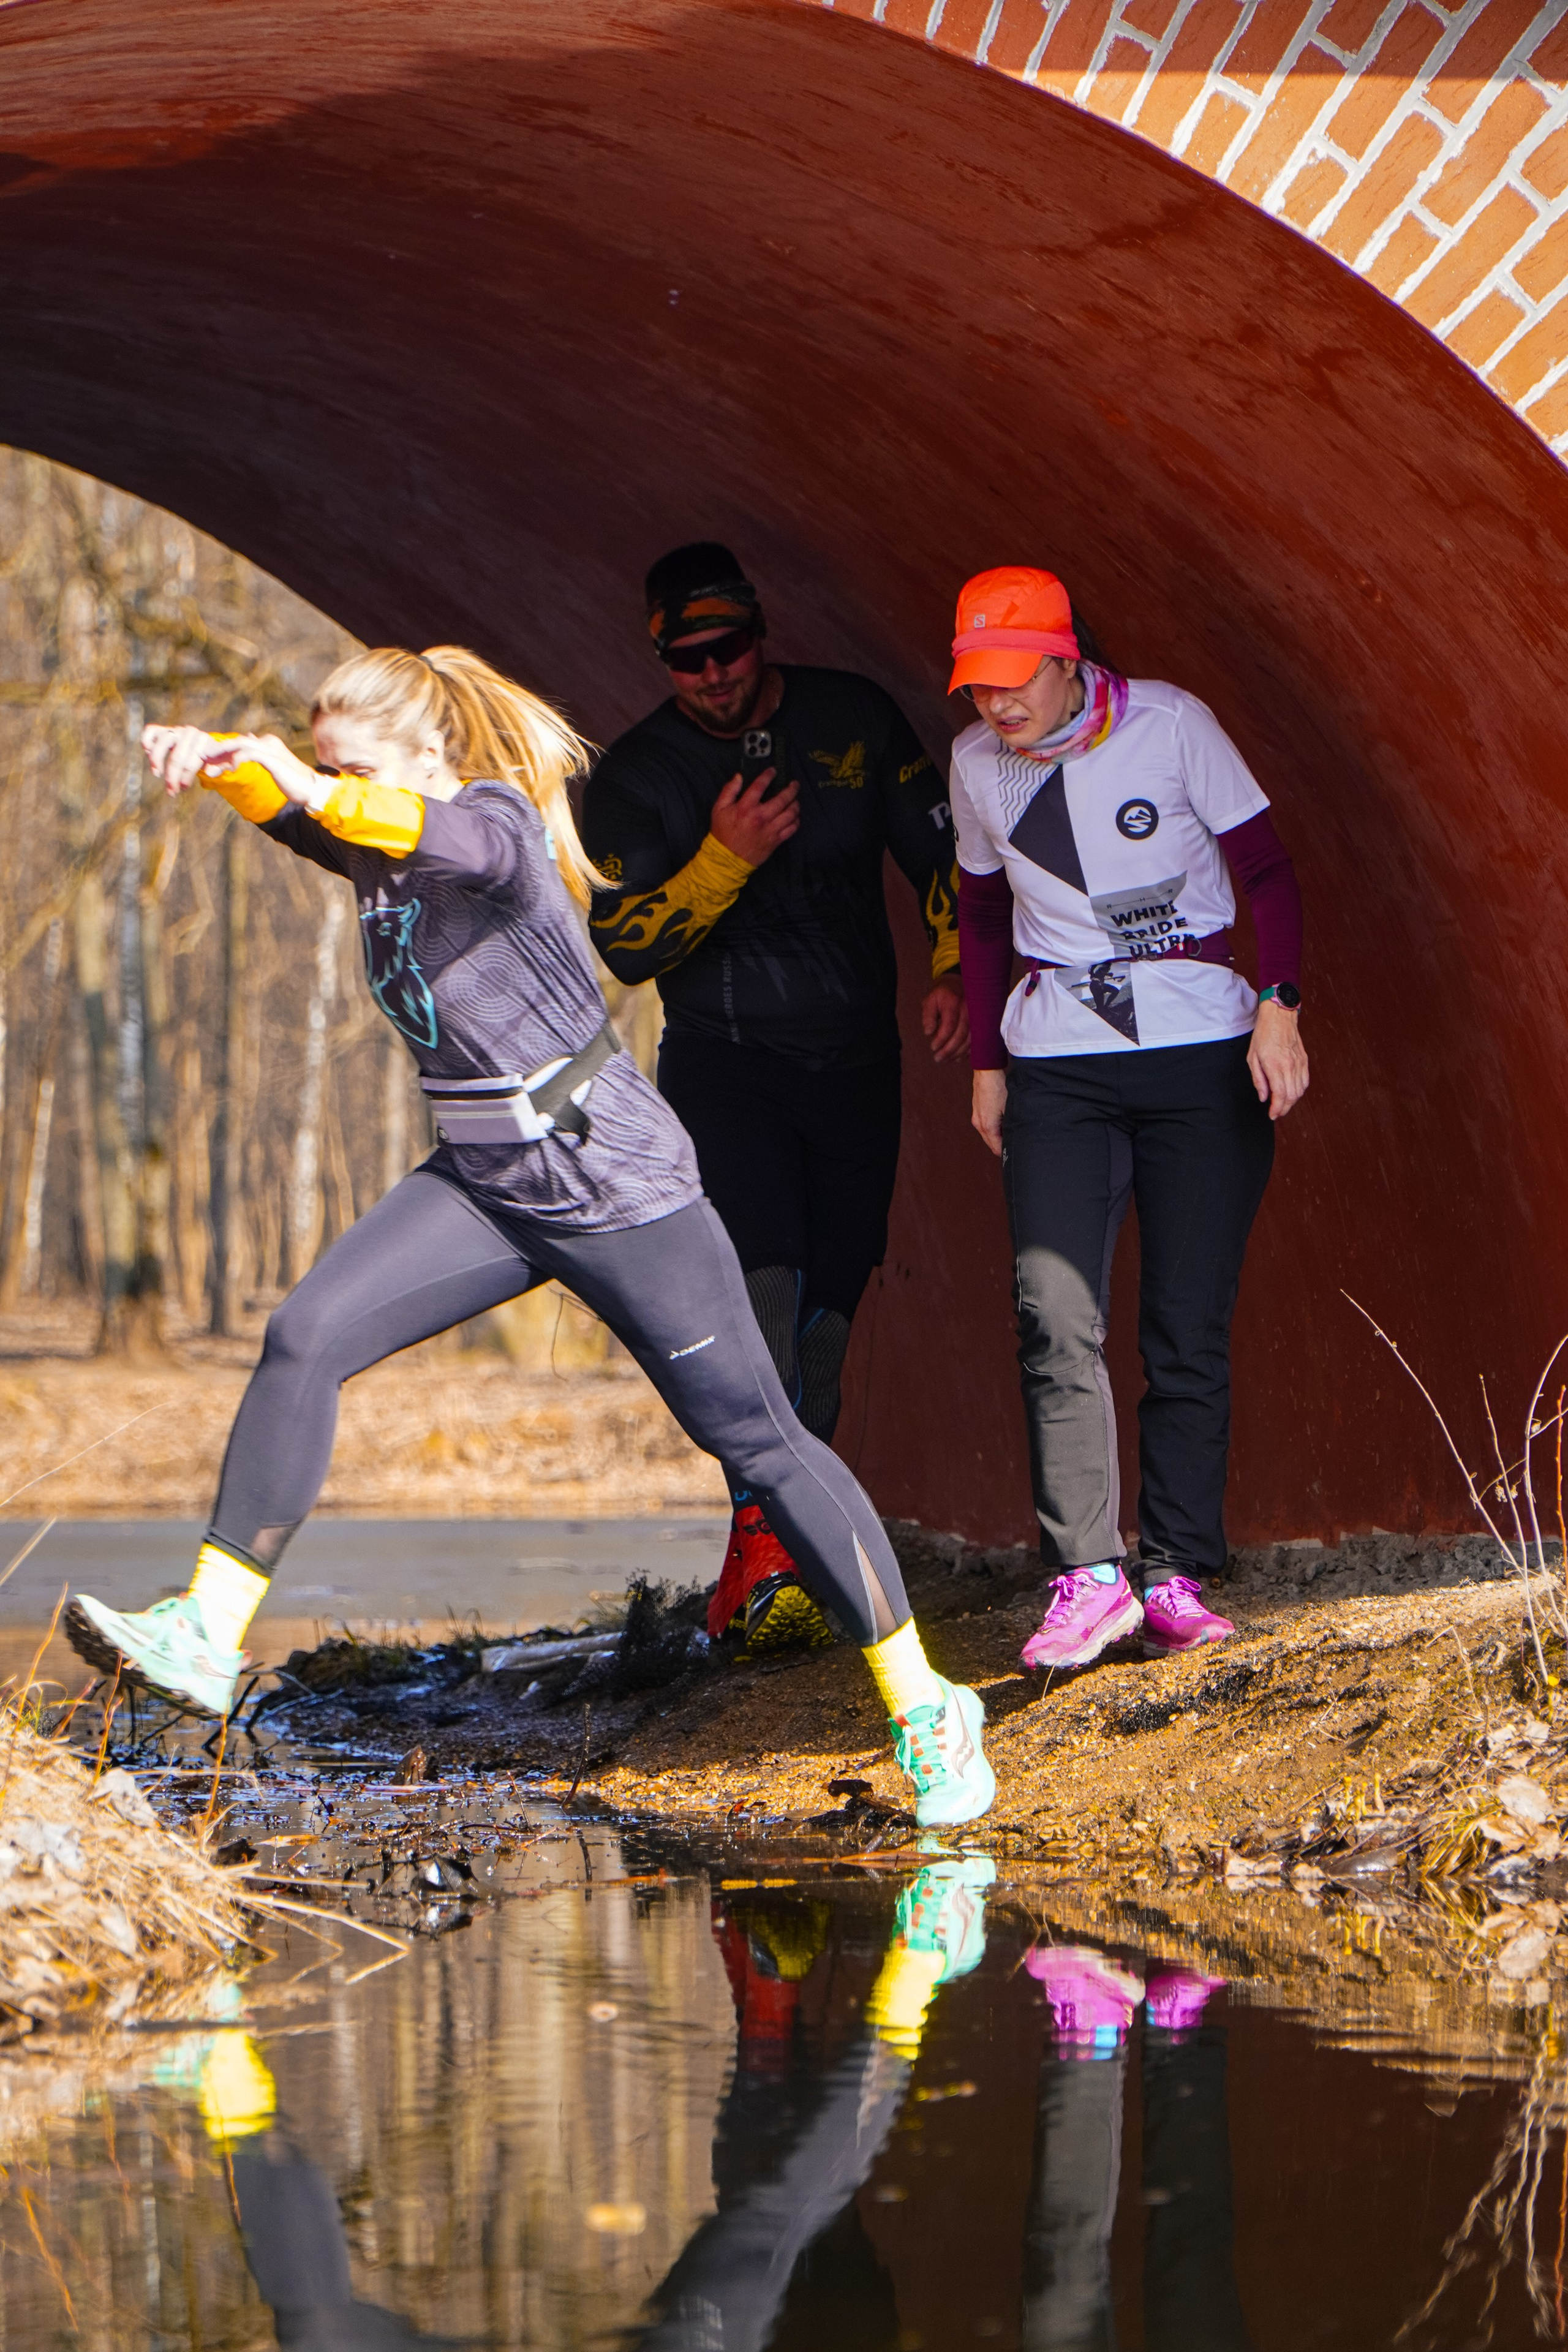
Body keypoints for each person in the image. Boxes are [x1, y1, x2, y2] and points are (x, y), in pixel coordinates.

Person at [62, 644, 993, 1829]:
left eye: (354, 771)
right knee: (306, 1334)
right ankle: (204, 1627)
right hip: (484, 1183)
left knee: (759, 1439)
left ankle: (925, 1704)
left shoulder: (490, 827)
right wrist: (220, 764)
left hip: (614, 1183)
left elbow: (410, 829)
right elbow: (296, 813)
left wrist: (304, 782)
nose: (334, 789)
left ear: (426, 758)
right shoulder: (366, 837)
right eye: (328, 766)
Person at [583, 545, 967, 1656]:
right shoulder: (640, 774)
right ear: (662, 657)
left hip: (856, 1062)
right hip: (727, 1065)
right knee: (762, 1292)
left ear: (760, 630)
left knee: (829, 1315)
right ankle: (762, 1543)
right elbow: (627, 947)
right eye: (687, 659)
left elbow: (945, 857)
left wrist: (955, 969)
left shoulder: (853, 717)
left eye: (730, 647)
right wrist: (724, 857)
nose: (714, 674)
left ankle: (792, 1545)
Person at [950, 567, 1308, 1673]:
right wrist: (988, 1064)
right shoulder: (975, 764)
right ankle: (1088, 1577)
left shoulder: (1170, 723)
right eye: (978, 685)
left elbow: (1269, 872)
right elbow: (981, 914)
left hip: (1201, 1050)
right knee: (1053, 1315)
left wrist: (1279, 1007)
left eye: (1016, 680)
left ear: (1067, 661)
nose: (998, 705)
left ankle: (1178, 1574)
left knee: (1186, 1325)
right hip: (1059, 1063)